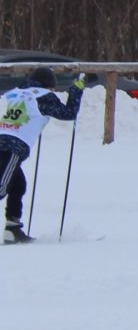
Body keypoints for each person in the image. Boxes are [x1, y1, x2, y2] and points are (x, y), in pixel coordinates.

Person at [1, 67, 84, 243]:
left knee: (17, 185)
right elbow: (68, 113)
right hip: (12, 146)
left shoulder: (13, 92)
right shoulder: (42, 95)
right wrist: (77, 89)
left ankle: (12, 229)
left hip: (4, 141)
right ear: (49, 85)